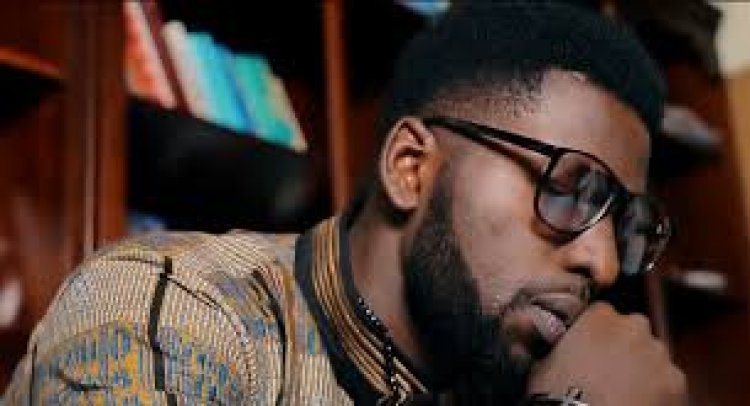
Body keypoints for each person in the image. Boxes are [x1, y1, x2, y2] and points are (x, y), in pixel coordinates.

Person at [4, 2, 686, 405]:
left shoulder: (494, 375)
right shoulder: (172, 305)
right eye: (570, 189)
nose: (603, 263)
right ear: (410, 167)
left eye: (624, 224)